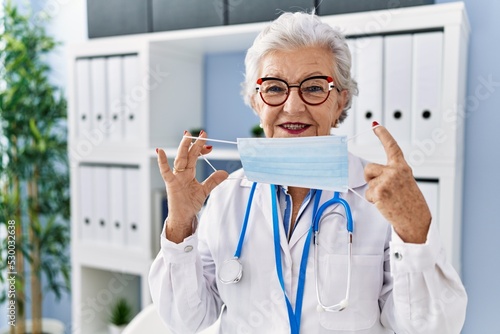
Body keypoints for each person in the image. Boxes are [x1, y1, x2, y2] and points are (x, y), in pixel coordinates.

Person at [149, 11, 467, 334]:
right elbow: (187, 318)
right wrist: (180, 225)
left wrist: (414, 228)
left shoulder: (381, 200)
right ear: (255, 102)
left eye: (314, 88)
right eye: (274, 88)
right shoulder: (226, 197)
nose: (293, 107)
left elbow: (434, 328)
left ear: (340, 102)